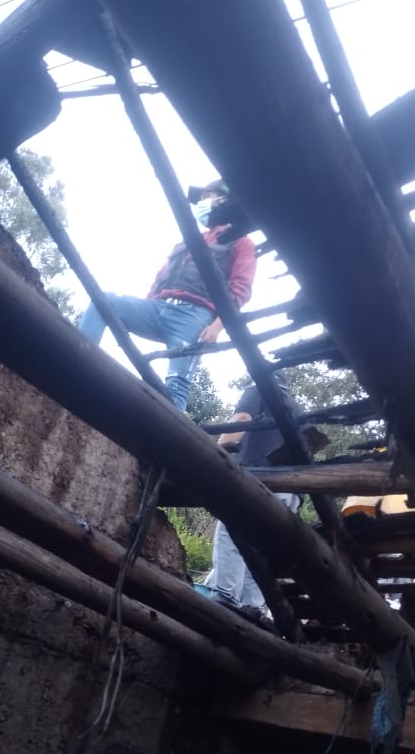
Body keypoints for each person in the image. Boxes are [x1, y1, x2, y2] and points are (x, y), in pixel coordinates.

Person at [78, 180, 257, 411]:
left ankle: (165, 433)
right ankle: (78, 361)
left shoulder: (241, 242)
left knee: (176, 384)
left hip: (194, 317)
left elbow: (240, 290)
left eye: (207, 196)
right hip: (158, 307)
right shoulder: (189, 240)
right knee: (104, 302)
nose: (201, 203)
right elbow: (161, 277)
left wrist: (217, 327)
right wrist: (146, 305)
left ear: (224, 201)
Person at [205, 379, 327, 619]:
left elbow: (241, 419)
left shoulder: (260, 390)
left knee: (232, 533)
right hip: (290, 491)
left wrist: (214, 452)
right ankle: (253, 606)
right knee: (261, 546)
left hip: (258, 478)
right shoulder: (295, 408)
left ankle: (225, 597)